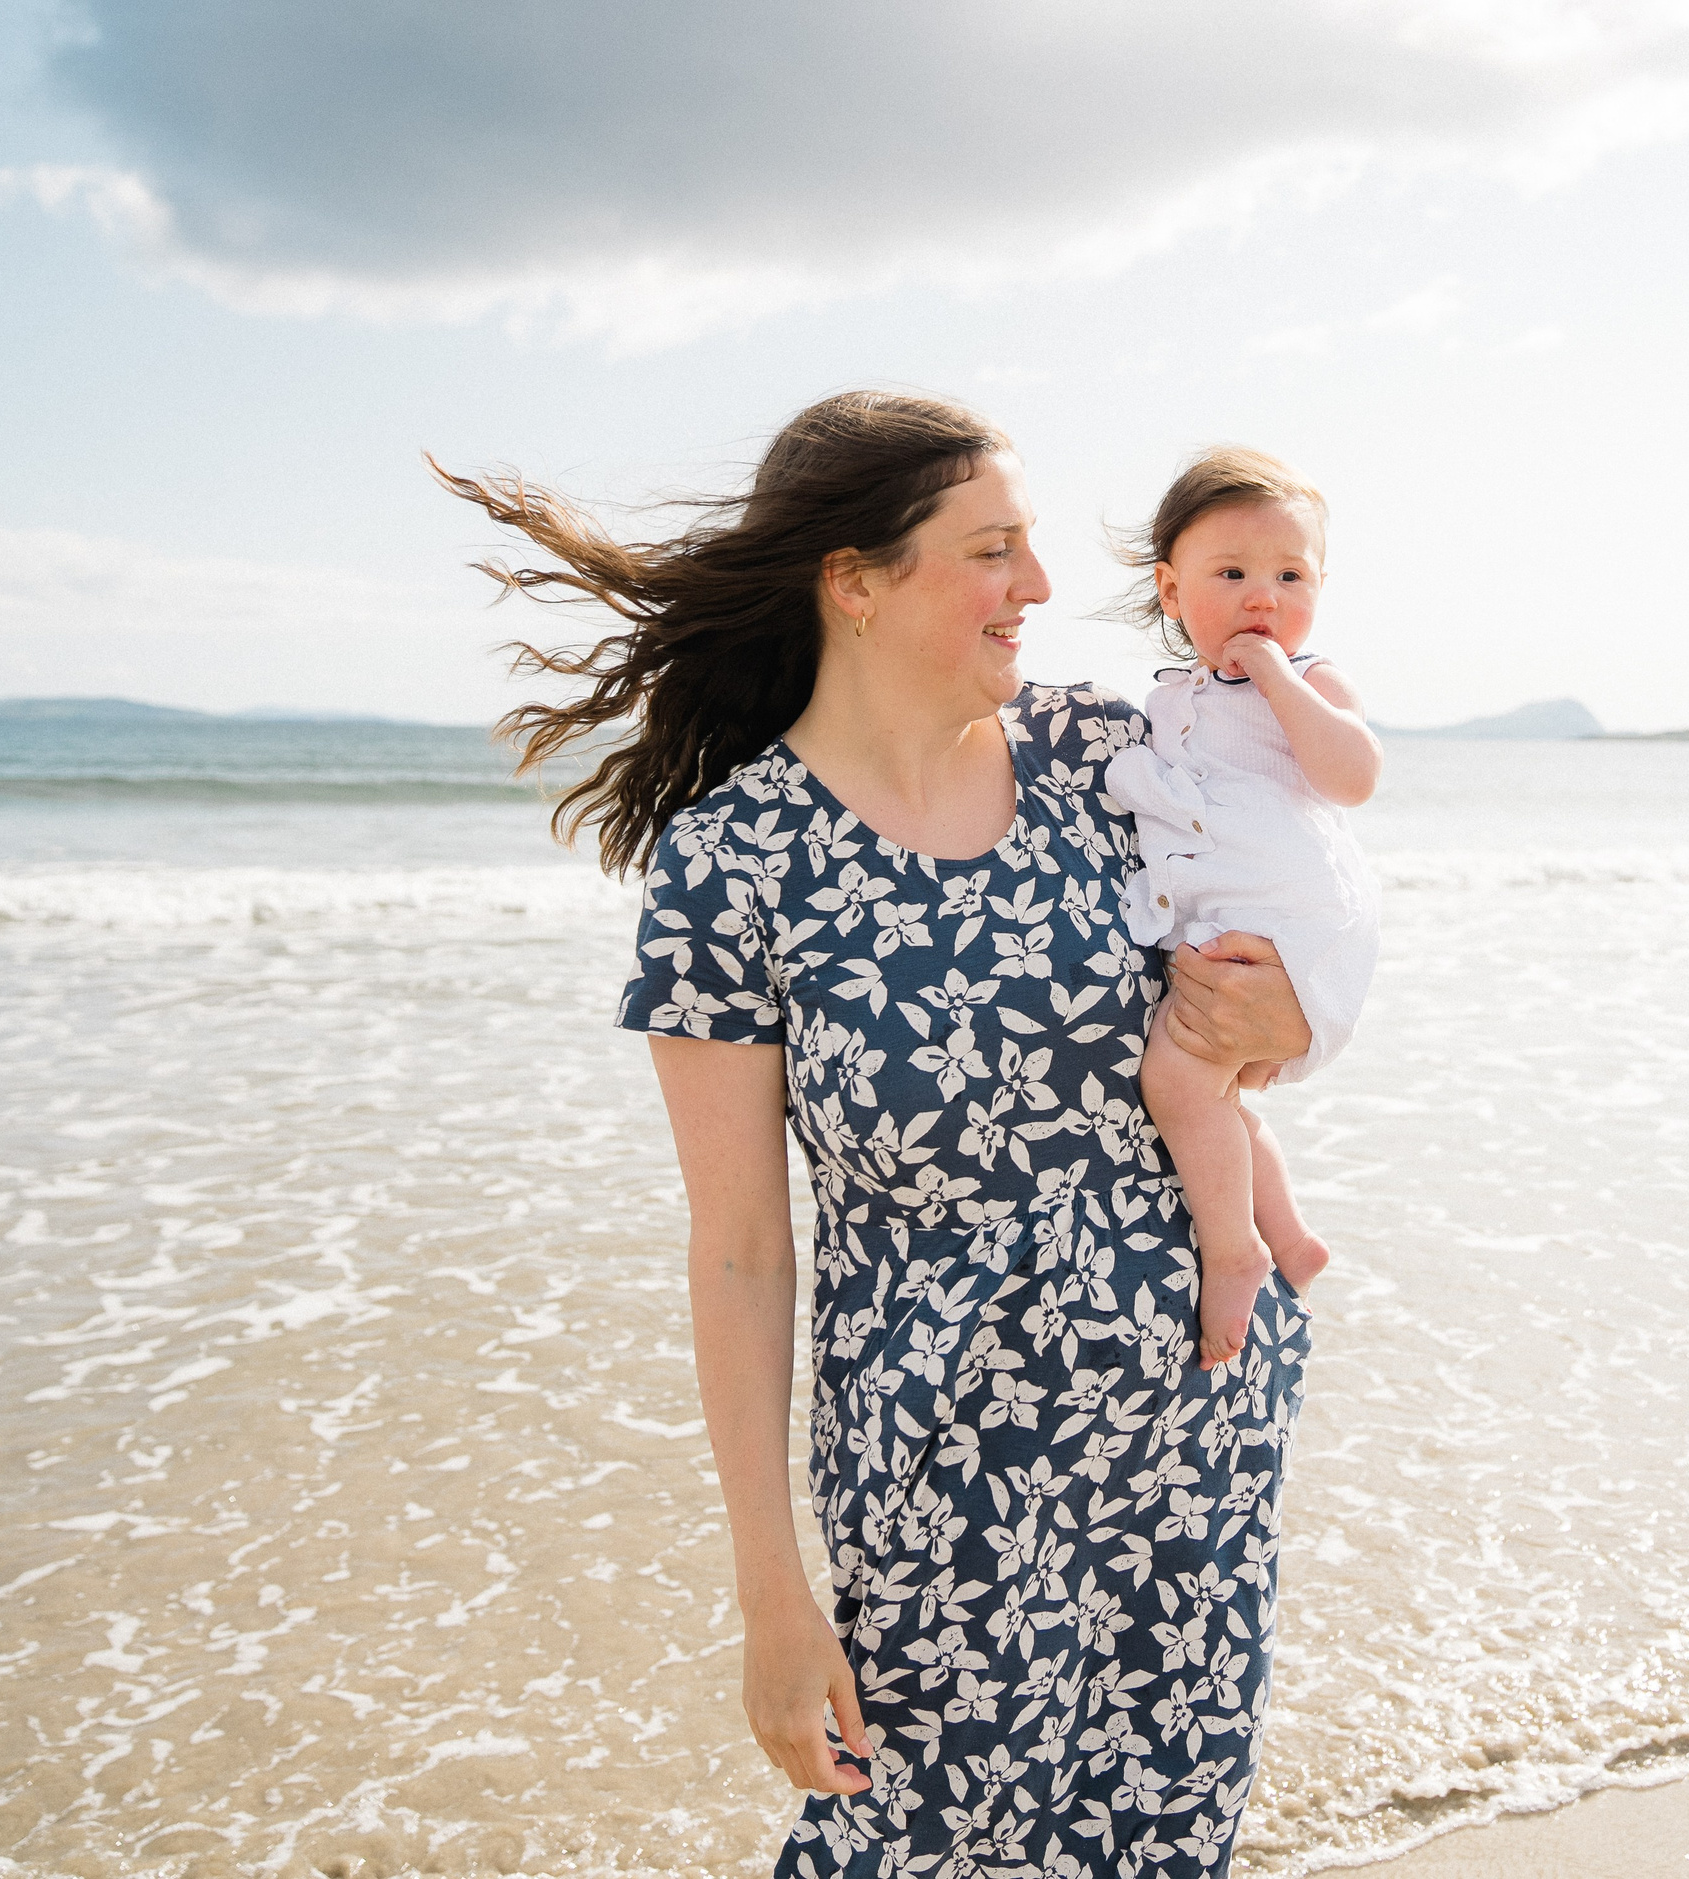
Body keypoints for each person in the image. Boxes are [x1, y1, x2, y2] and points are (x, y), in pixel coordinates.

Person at [434, 392, 1317, 1878]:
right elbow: (736, 1249)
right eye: (993, 550)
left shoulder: (1111, 757)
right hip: (947, 1471)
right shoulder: (734, 863)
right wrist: (772, 1593)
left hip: (1200, 1414)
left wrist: (1281, 1013)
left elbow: (1293, 956)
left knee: (1165, 1835)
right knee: (910, 1845)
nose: (1039, 587)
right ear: (855, 579)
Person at [1103, 450, 1381, 1371]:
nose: (1264, 596)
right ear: (1171, 591)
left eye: (1290, 576)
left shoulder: (1312, 681)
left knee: (1176, 1086)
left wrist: (1278, 679)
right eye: (1232, 574)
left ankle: (1234, 1252)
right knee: (1212, 1095)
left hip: (1296, 921)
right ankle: (1291, 1235)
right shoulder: (1170, 698)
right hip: (1242, 924)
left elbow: (1353, 777)